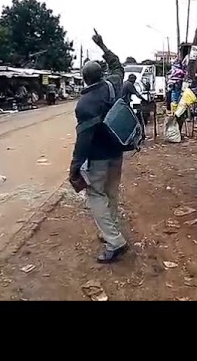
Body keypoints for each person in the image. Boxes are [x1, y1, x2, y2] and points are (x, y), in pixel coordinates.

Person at [69, 30, 128, 263]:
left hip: (99, 157)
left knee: (96, 195)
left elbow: (83, 140)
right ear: (101, 73)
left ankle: (114, 241)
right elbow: (117, 64)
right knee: (111, 194)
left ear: (85, 79)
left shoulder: (85, 103)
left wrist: (74, 167)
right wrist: (102, 45)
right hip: (117, 151)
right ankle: (111, 233)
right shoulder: (113, 84)